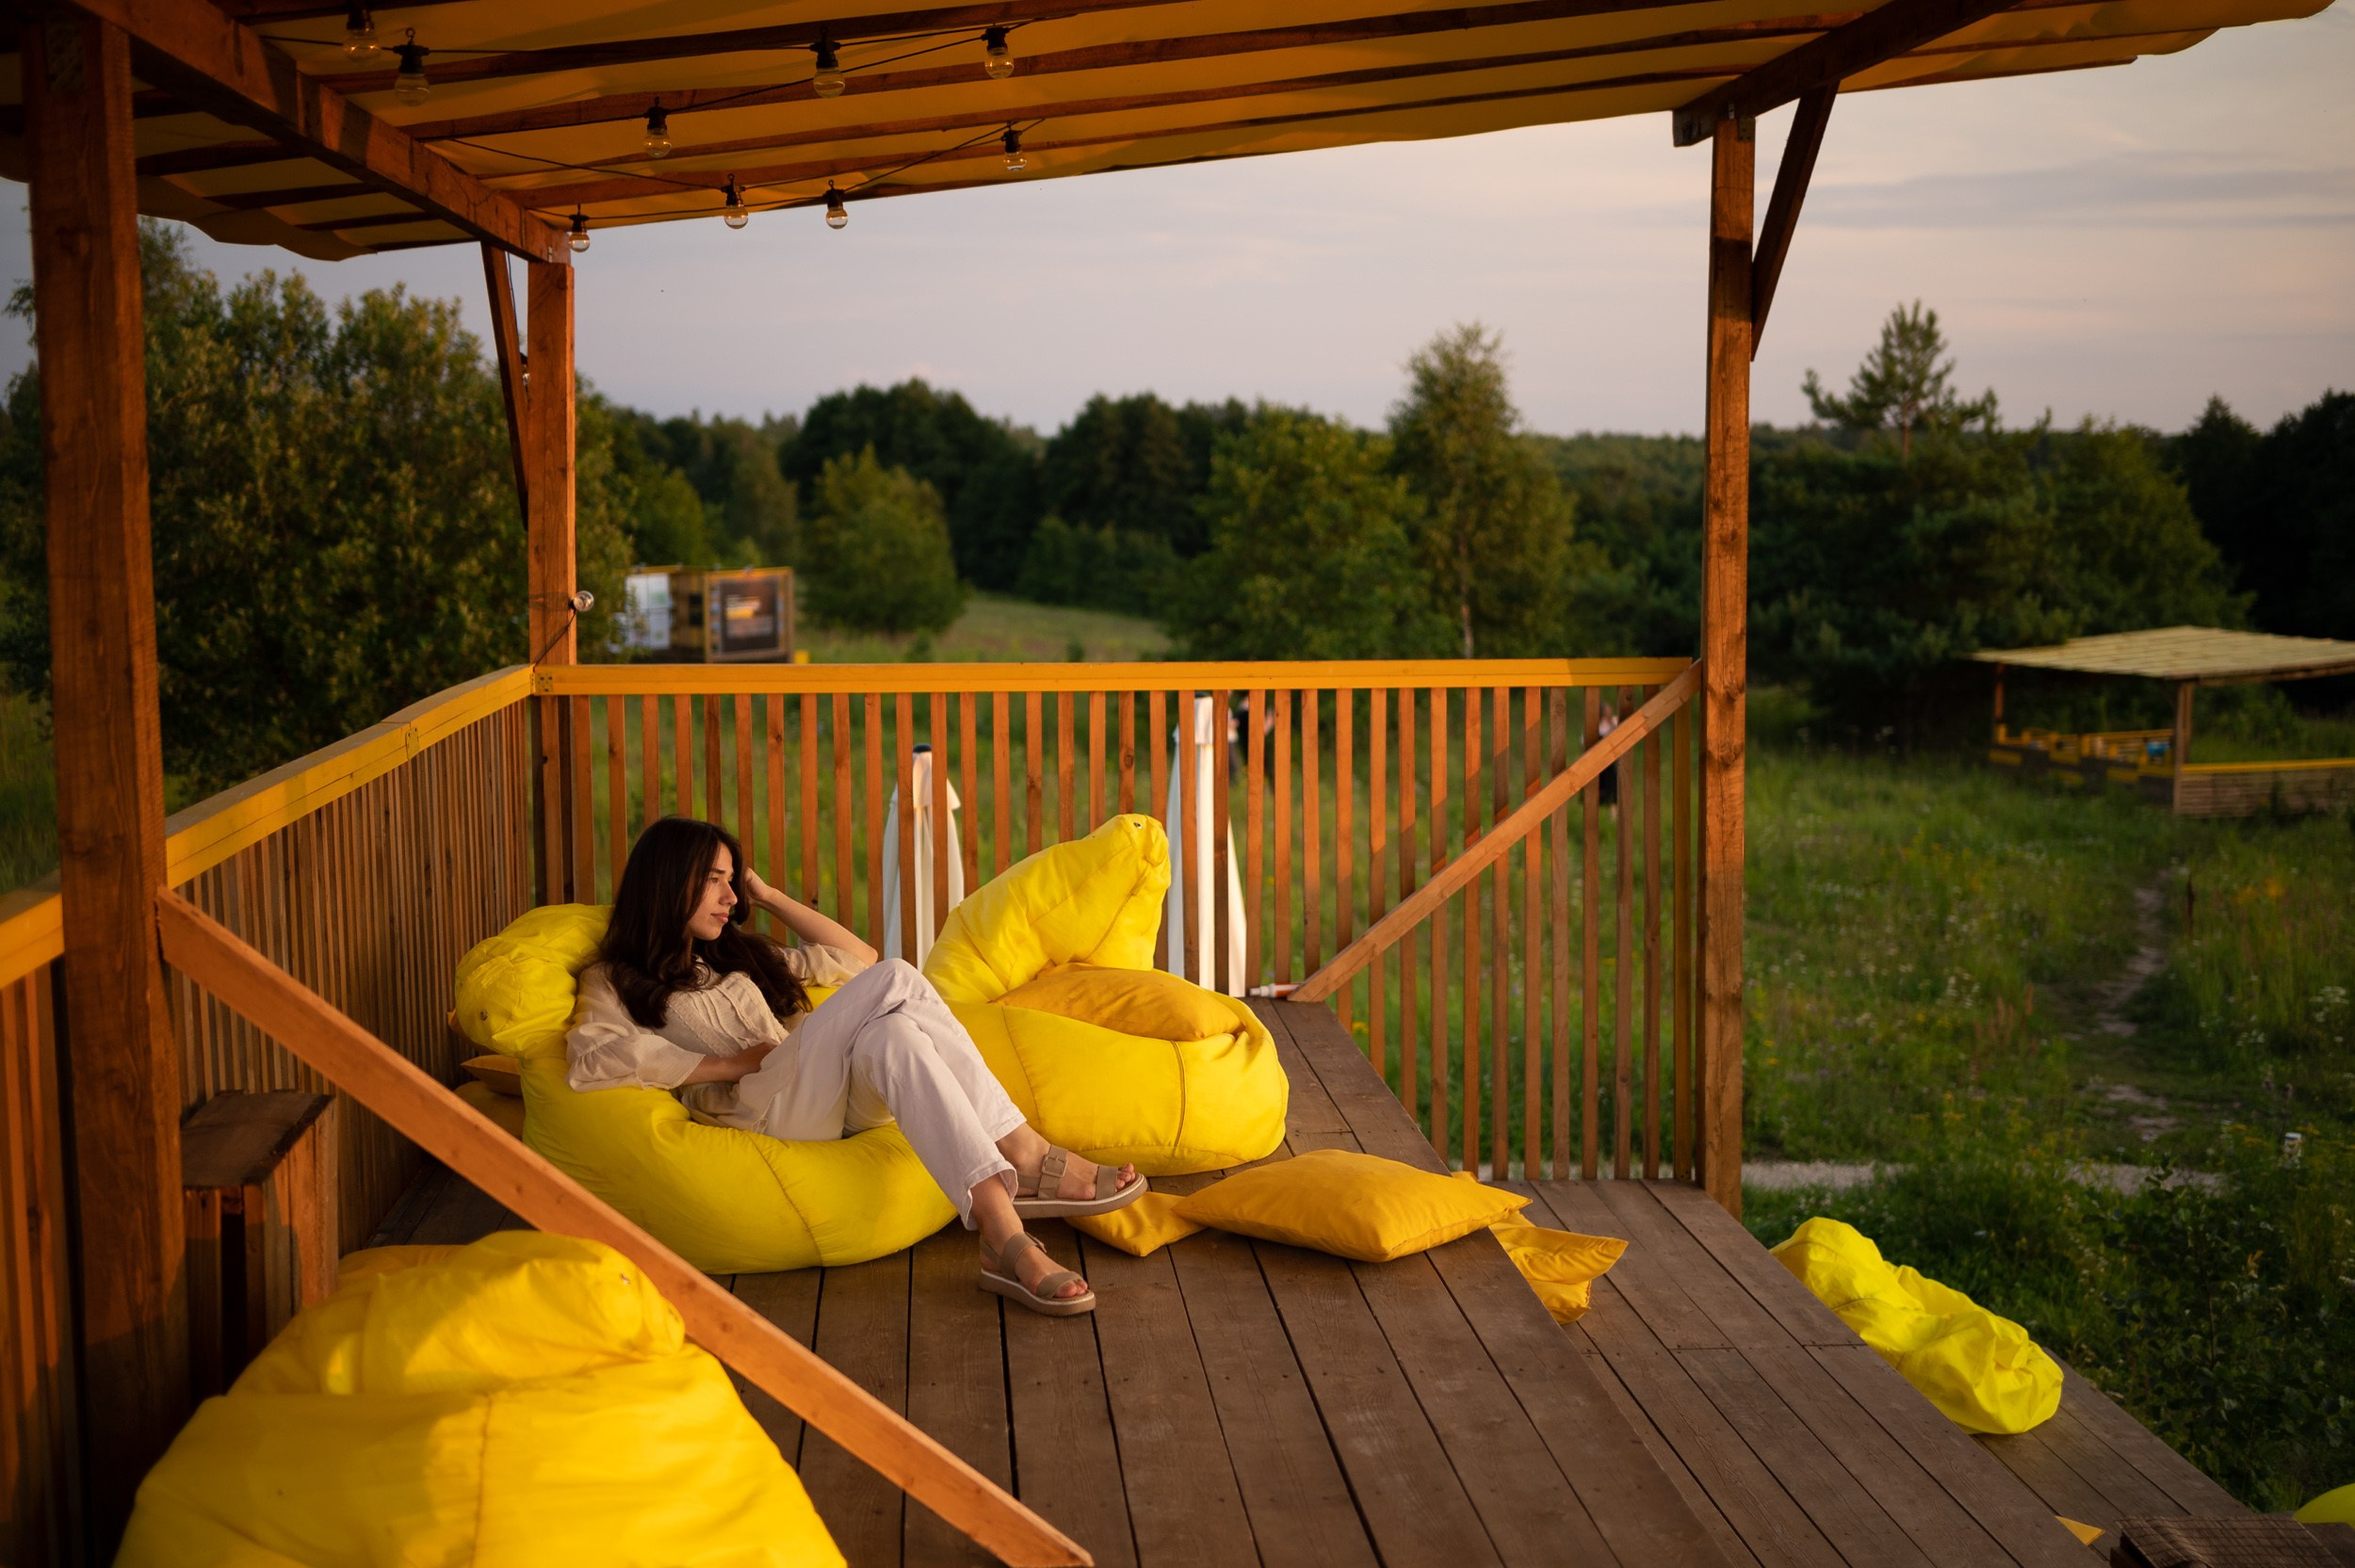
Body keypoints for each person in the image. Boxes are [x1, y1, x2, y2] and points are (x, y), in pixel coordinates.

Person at [566, 816, 1145, 1316]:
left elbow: (856, 958)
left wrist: (769, 896)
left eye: (731, 881)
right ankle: (1024, 1151)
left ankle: (1000, 1232)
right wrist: (726, 1065)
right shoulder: (614, 978)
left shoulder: (736, 956)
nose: (731, 897)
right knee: (897, 977)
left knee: (894, 1031)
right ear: (670, 882)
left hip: (815, 1096)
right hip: (757, 1110)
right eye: (714, 880)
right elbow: (593, 1057)